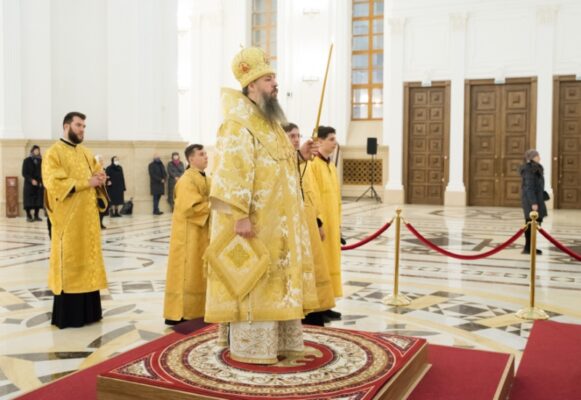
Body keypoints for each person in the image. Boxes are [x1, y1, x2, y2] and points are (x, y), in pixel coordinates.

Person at [205, 46, 318, 364]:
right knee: (255, 281)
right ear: (251, 84)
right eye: (268, 78)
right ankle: (253, 347)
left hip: (277, 226)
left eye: (274, 78)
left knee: (278, 282)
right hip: (254, 225)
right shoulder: (239, 123)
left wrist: (300, 155)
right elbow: (232, 171)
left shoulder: (268, 122)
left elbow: (272, 167)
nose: (275, 83)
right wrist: (240, 216)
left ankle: (281, 343)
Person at [42, 111, 108, 329]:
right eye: (78, 125)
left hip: (88, 220)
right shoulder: (54, 153)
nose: (82, 129)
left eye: (84, 126)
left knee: (88, 262)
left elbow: (96, 175)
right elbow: (54, 183)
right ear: (66, 126)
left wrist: (100, 179)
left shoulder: (86, 152)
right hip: (68, 221)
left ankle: (90, 312)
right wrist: (86, 182)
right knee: (71, 263)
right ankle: (70, 316)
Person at [284, 123, 335, 326]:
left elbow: (309, 195)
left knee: (315, 266)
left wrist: (318, 221)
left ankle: (316, 309)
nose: (296, 139)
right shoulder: (280, 164)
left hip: (308, 223)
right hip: (292, 226)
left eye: (298, 135)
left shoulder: (304, 163)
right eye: (291, 136)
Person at [163, 144, 211, 325]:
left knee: (198, 271)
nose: (206, 157)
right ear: (191, 159)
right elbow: (190, 207)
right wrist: (213, 206)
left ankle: (199, 310)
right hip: (187, 236)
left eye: (206, 153)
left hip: (200, 232)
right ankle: (183, 312)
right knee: (187, 272)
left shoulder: (205, 178)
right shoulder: (186, 180)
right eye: (202, 154)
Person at [309, 125, 343, 321]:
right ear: (319, 141)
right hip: (320, 224)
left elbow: (336, 197)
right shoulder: (313, 164)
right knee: (320, 264)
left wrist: (338, 223)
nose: (334, 142)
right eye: (331, 139)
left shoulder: (330, 164)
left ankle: (327, 303)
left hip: (332, 222)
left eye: (334, 138)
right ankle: (318, 307)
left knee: (331, 262)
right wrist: (318, 221)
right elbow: (313, 196)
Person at [520, 149, 548, 255]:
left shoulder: (535, 168)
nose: (539, 157)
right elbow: (529, 188)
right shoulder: (529, 170)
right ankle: (528, 248)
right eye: (537, 155)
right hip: (531, 201)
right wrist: (533, 203)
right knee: (530, 224)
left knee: (534, 224)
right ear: (532, 157)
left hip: (536, 199)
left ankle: (530, 247)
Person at [22, 145, 44, 222]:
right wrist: (31, 180)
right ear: (32, 151)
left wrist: (41, 182)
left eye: (38, 150)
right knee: (28, 200)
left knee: (38, 199)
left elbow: (43, 172)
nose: (37, 151)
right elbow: (24, 173)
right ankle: (28, 216)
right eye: (35, 150)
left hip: (39, 183)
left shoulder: (41, 161)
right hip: (29, 184)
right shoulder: (26, 160)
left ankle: (36, 215)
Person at [94, 155, 108, 229]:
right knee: (99, 207)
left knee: (103, 207)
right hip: (97, 191)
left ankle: (101, 223)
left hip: (103, 189)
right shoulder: (94, 170)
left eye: (102, 160)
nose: (102, 162)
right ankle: (98, 223)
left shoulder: (103, 169)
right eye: (101, 160)